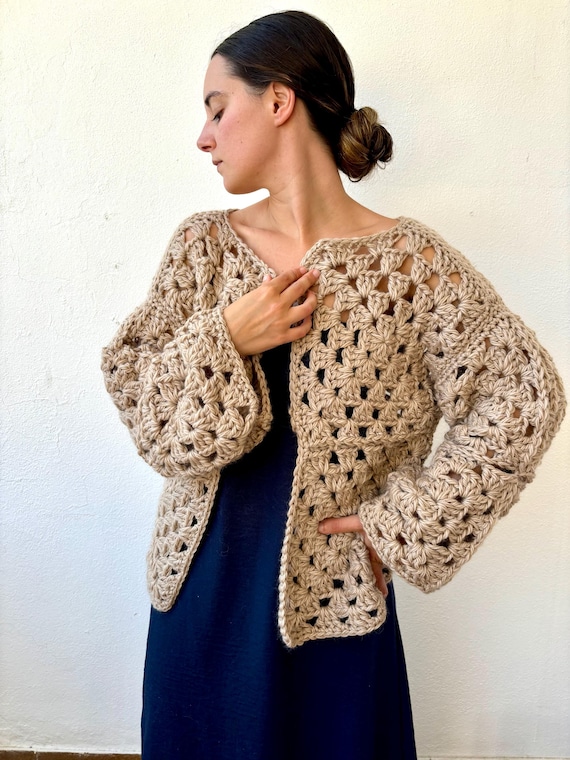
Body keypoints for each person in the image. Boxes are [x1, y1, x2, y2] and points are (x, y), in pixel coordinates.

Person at [101, 10, 566, 760]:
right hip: (204, 594)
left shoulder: (410, 267)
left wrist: (408, 520)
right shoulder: (203, 247)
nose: (204, 137)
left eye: (217, 108)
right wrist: (227, 337)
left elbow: (523, 395)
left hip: (338, 598)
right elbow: (143, 400)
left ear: (278, 100)